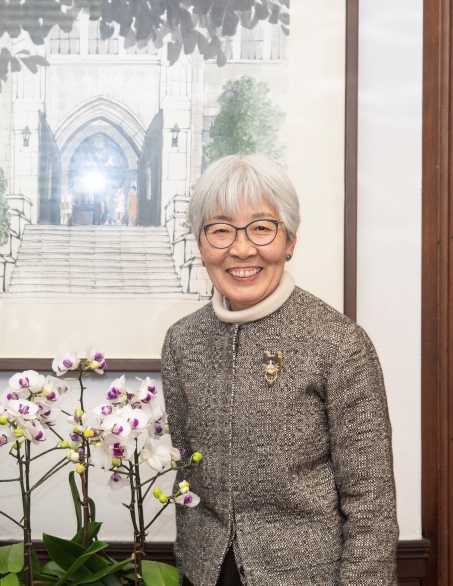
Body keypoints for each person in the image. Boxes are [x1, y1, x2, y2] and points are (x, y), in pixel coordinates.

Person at [162, 154, 398, 586]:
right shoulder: (182, 341)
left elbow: (372, 503)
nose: (241, 248)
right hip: (205, 574)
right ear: (200, 244)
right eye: (220, 230)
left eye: (261, 227)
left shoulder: (339, 342)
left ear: (290, 240)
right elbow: (186, 473)